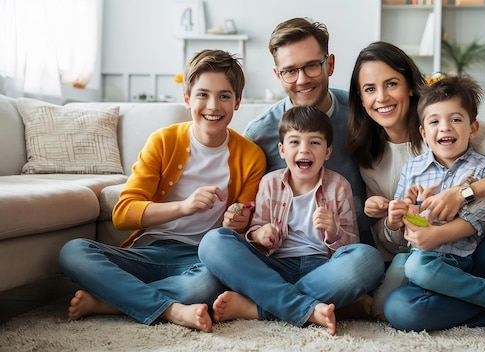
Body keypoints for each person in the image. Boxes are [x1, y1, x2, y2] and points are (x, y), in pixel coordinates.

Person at [346, 41, 485, 352]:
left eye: (391, 84)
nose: (381, 97)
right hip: (431, 258)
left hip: (475, 249)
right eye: (369, 89)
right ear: (361, 100)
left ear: (410, 86)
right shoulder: (371, 154)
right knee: (398, 309)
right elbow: (397, 241)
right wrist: (398, 216)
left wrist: (462, 194)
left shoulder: (451, 119)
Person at [57, 49, 266, 333]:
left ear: (238, 101)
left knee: (208, 284)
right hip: (147, 252)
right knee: (73, 251)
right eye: (203, 94)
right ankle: (172, 309)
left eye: (224, 96)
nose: (213, 106)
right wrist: (184, 207)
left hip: (199, 259)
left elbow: (242, 232)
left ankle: (112, 301)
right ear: (187, 99)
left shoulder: (252, 157)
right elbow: (122, 214)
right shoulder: (163, 141)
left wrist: (238, 224)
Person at [198, 106, 384, 336]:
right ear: (282, 150)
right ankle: (303, 306)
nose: (304, 150)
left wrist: (334, 231)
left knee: (369, 259)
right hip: (273, 268)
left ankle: (258, 307)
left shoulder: (339, 186)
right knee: (214, 240)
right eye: (295, 142)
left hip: (322, 270)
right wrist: (258, 234)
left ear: (327, 151)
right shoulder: (270, 183)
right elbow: (256, 230)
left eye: (315, 143)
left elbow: (351, 246)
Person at [386, 75, 485, 318]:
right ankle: (477, 306)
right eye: (434, 121)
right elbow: (401, 233)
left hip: (456, 259)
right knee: (385, 307)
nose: (445, 127)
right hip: (416, 255)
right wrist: (403, 215)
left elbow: (476, 224)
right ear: (423, 132)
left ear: (472, 129)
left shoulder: (481, 169)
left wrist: (434, 234)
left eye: (455, 119)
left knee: (417, 269)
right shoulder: (413, 169)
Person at [243, 17, 374, 248]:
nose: (302, 80)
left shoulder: (362, 113)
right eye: (290, 71)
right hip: (282, 255)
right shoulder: (259, 135)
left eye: (312, 65)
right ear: (277, 75)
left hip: (350, 249)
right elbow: (251, 215)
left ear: (330, 65)